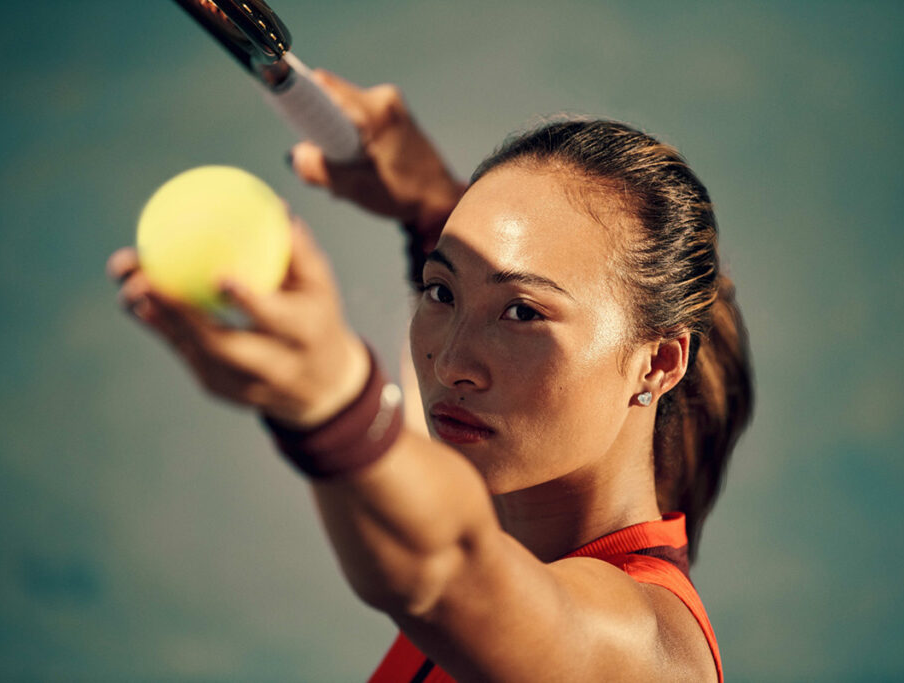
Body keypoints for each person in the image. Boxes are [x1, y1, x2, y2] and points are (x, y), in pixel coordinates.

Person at [107, 69, 753, 681]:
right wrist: (425, 204)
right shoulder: (505, 475)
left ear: (660, 361)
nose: (449, 365)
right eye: (440, 292)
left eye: (524, 312)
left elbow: (444, 569)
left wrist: (329, 399)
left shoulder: (642, 650)